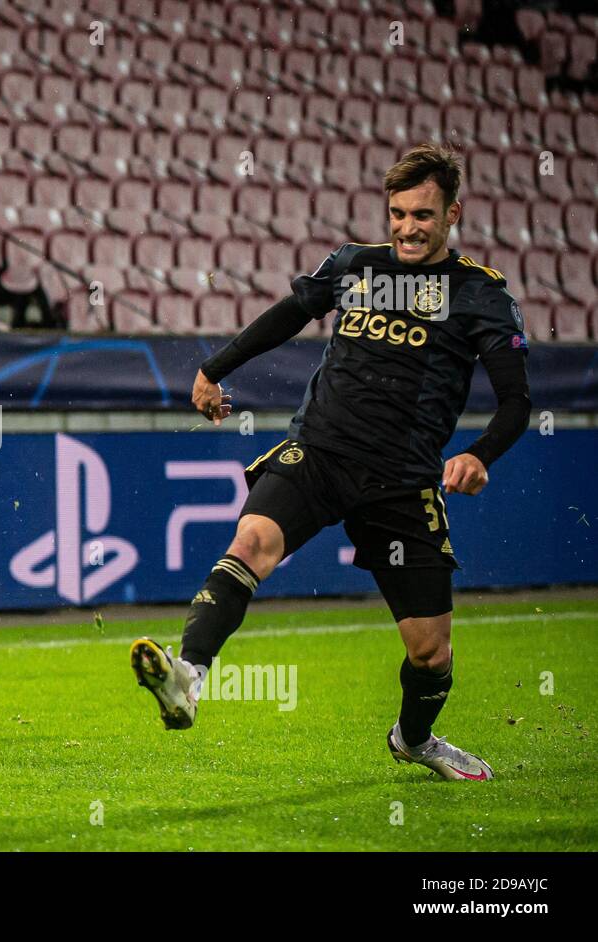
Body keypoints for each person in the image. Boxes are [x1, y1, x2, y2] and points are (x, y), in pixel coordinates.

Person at [130, 143, 531, 781]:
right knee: (253, 540)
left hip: (401, 481)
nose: (406, 227)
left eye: (422, 215)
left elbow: (517, 400)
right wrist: (212, 368)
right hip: (319, 450)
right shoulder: (355, 267)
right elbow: (289, 316)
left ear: (452, 213)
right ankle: (189, 674)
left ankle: (415, 739)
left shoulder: (479, 294)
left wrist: (481, 455)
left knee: (430, 654)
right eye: (397, 213)